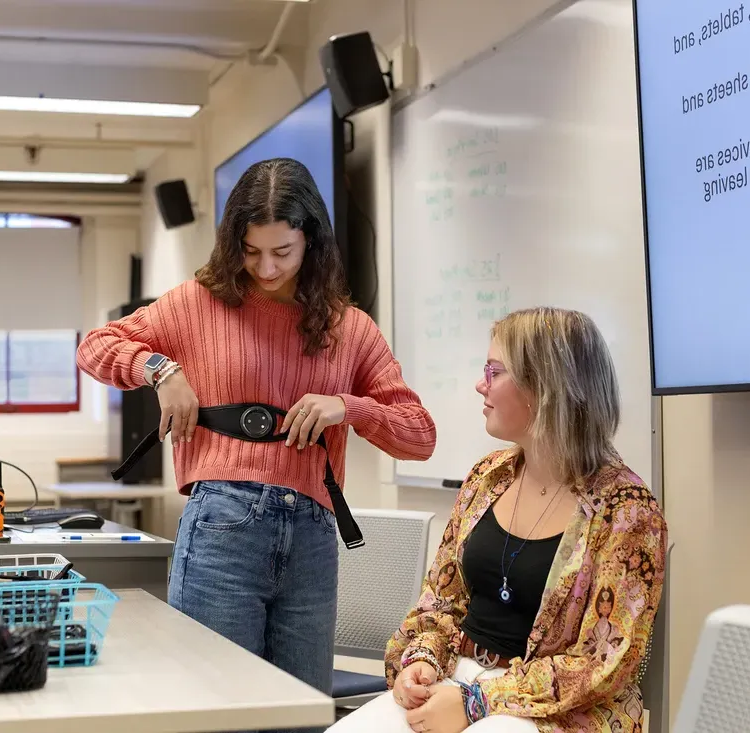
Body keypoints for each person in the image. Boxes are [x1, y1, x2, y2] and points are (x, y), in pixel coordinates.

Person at [77, 157, 436, 730]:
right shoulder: (198, 303)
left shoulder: (351, 327)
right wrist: (159, 369)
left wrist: (349, 406)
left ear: (311, 241)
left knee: (299, 719)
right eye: (250, 250)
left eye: (282, 252)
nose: (265, 268)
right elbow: (96, 346)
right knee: (214, 713)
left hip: (314, 539)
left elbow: (419, 434)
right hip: (224, 526)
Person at [328, 308, 667, 733]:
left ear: (545, 387)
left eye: (494, 371)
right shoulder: (487, 477)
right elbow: (441, 602)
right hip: (458, 677)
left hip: (554, 710)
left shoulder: (627, 511)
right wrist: (423, 660)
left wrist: (477, 702)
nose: (479, 384)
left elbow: (602, 665)